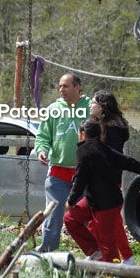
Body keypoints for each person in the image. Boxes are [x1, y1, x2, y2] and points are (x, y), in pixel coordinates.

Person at [64, 119, 140, 263]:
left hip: (106, 204)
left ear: (83, 134)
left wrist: (71, 200)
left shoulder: (83, 150)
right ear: (99, 133)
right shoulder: (103, 148)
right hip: (95, 200)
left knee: (107, 244)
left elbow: (80, 178)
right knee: (70, 219)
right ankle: (95, 252)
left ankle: (110, 275)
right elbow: (128, 162)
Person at [34, 73, 91, 252]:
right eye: (60, 86)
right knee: (53, 213)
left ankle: (95, 251)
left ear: (77, 87)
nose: (61, 90)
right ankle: (47, 251)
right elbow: (42, 136)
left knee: (88, 216)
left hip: (84, 173)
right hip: (58, 172)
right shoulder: (53, 109)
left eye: (65, 86)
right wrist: (41, 150)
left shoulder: (90, 108)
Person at [89, 90, 135, 264]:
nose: (90, 105)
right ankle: (100, 253)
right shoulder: (100, 124)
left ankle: (123, 256)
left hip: (107, 181)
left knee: (111, 221)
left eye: (93, 102)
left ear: (103, 107)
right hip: (98, 180)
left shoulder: (112, 128)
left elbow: (111, 156)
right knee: (97, 220)